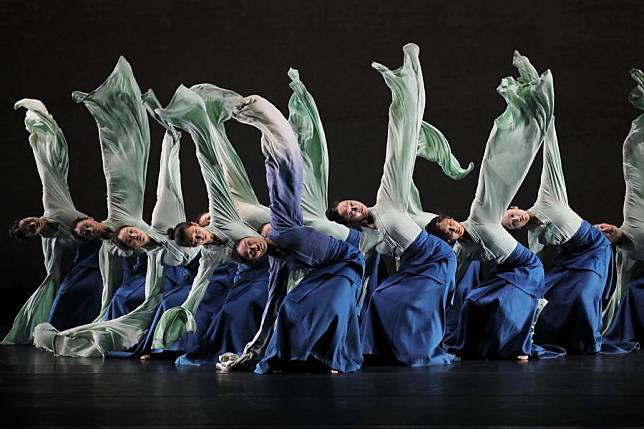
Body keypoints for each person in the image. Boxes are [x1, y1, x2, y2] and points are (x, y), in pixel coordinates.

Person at [31, 58, 197, 357]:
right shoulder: (119, 247)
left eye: (87, 225)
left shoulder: (128, 217)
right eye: (87, 232)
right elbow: (116, 283)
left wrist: (169, 138)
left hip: (174, 250)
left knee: (130, 166)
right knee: (124, 301)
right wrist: (106, 310)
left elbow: (122, 165)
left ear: (90, 220)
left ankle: (118, 107)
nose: (130, 235)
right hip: (168, 267)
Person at [427, 51, 563, 359]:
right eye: (448, 232)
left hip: (528, 270)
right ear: (449, 239)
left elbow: (495, 174)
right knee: (475, 301)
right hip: (510, 273)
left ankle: (518, 346)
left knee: (507, 303)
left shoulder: (480, 215)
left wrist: (511, 129)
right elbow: (452, 279)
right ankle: (483, 345)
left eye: (450, 222)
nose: (453, 228)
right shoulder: (461, 249)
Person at [218, 93, 366, 373]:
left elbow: (283, 182)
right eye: (251, 254)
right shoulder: (277, 264)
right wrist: (252, 350)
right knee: (289, 306)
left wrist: (270, 127)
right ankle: (294, 358)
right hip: (324, 274)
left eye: (250, 243)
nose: (254, 248)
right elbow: (271, 306)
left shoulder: (282, 225)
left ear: (255, 237)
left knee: (331, 305)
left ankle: (330, 357)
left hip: (347, 263)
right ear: (254, 261)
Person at [500, 111, 612, 354]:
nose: (515, 220)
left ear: (515, 208)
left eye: (511, 215)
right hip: (569, 258)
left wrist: (546, 119)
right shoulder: (534, 237)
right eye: (511, 225)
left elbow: (552, 159)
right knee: (550, 295)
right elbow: (537, 266)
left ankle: (588, 343)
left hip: (594, 250)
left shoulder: (549, 198)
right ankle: (555, 338)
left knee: (583, 294)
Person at [2, 99, 103, 345]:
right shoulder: (52, 245)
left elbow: (47, 170)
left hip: (103, 242)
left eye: (27, 221)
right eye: (28, 230)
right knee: (71, 291)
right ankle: (63, 327)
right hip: (92, 259)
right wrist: (54, 292)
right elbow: (54, 273)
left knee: (53, 161)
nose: (30, 224)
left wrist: (40, 127)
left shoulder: (52, 204)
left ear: (30, 217)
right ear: (32, 235)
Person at [599, 69, 644, 351]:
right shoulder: (624, 251)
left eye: (605, 228)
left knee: (633, 146)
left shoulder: (626, 230)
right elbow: (619, 290)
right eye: (606, 233)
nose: (607, 229)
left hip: (637, 188)